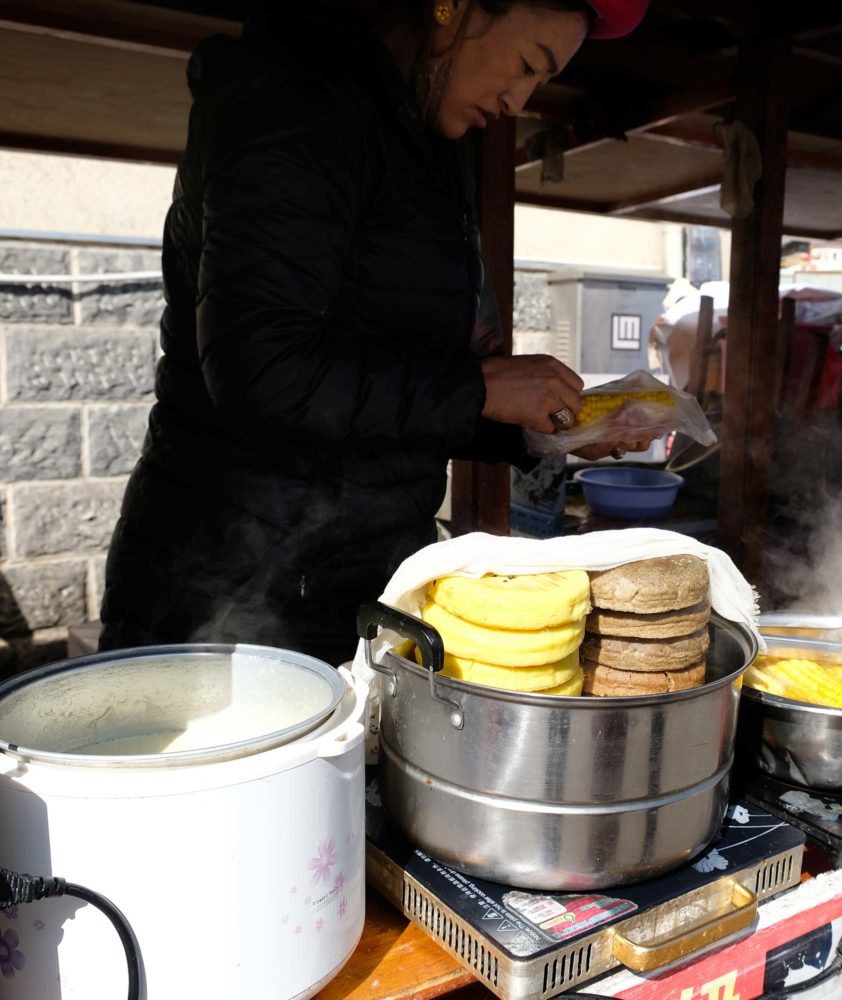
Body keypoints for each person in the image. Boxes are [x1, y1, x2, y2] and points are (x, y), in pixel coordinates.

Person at [100, 0, 650, 664]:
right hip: (234, 587)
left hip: (354, 579)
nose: (520, 99)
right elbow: (263, 368)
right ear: (451, 7)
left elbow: (392, 385)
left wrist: (545, 424)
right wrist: (478, 387)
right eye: (528, 64)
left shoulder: (426, 141)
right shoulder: (295, 97)